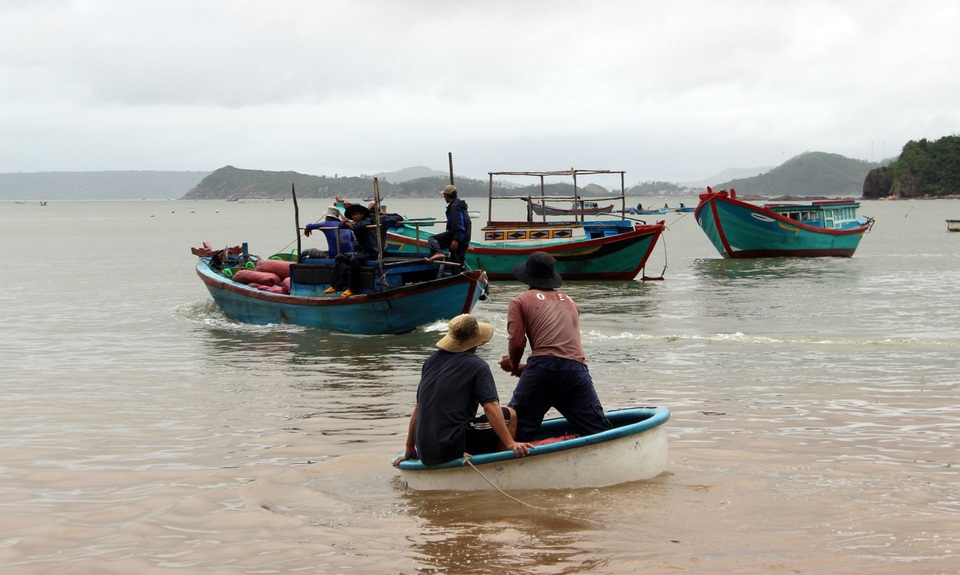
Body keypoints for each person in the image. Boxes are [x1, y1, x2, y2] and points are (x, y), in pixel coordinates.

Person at [498, 251, 612, 442]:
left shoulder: (520, 301)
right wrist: (527, 368)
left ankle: (501, 465)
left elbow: (517, 343)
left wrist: (513, 364)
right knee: (597, 429)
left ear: (527, 276)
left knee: (515, 430)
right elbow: (561, 351)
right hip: (575, 370)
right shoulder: (570, 301)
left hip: (542, 369)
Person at [393, 314, 533, 466]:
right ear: (475, 342)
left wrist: (409, 446)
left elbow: (418, 408)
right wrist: (511, 443)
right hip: (450, 446)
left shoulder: (430, 361)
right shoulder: (478, 366)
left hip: (425, 448)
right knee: (510, 415)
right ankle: (500, 467)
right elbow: (490, 407)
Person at [426, 184, 471, 266]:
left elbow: (458, 224)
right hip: (465, 238)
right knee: (457, 262)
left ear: (446, 195)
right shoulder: (460, 205)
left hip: (459, 237)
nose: (444, 197)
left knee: (432, 239)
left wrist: (456, 239)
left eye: (444, 195)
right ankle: (460, 276)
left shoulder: (454, 207)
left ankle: (438, 253)